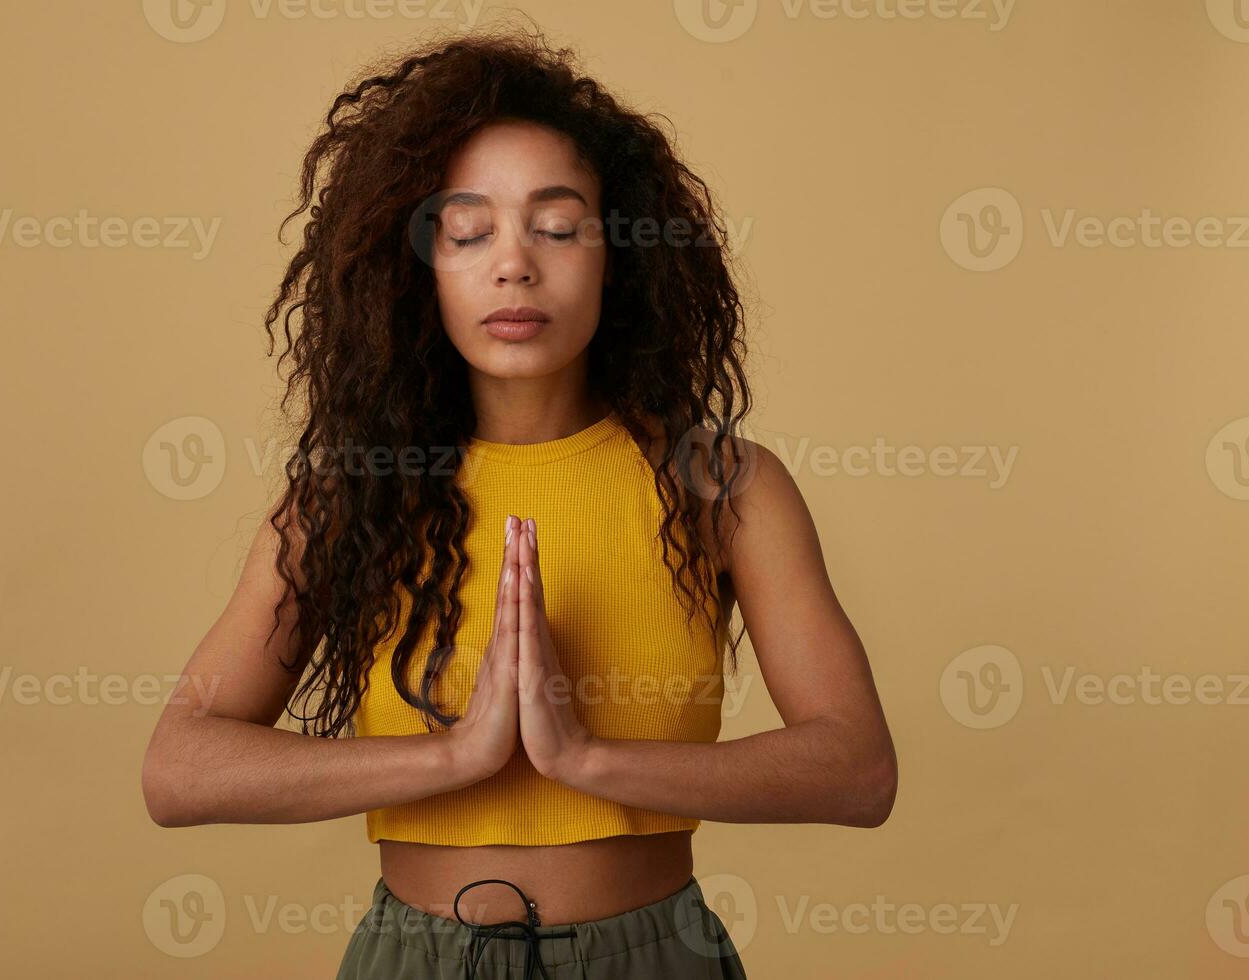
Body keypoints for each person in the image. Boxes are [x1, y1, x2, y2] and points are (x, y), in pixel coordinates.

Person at [140, 22, 896, 979]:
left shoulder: (723, 486)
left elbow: (858, 769)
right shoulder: (348, 496)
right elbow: (177, 771)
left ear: (618, 253)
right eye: (468, 231)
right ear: (416, 268)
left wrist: (586, 759)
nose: (514, 264)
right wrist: (454, 757)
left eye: (556, 225)